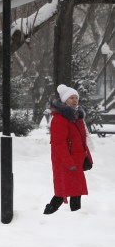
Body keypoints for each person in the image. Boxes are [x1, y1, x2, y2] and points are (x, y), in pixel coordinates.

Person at [44, 84, 93, 214]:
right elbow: (59, 144)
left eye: (76, 97)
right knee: (62, 191)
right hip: (65, 161)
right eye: (71, 98)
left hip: (77, 160)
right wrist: (69, 162)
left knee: (76, 190)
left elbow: (82, 141)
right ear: (65, 100)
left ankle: (75, 216)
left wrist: (87, 158)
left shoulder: (77, 117)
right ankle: (47, 214)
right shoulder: (59, 119)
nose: (74, 100)